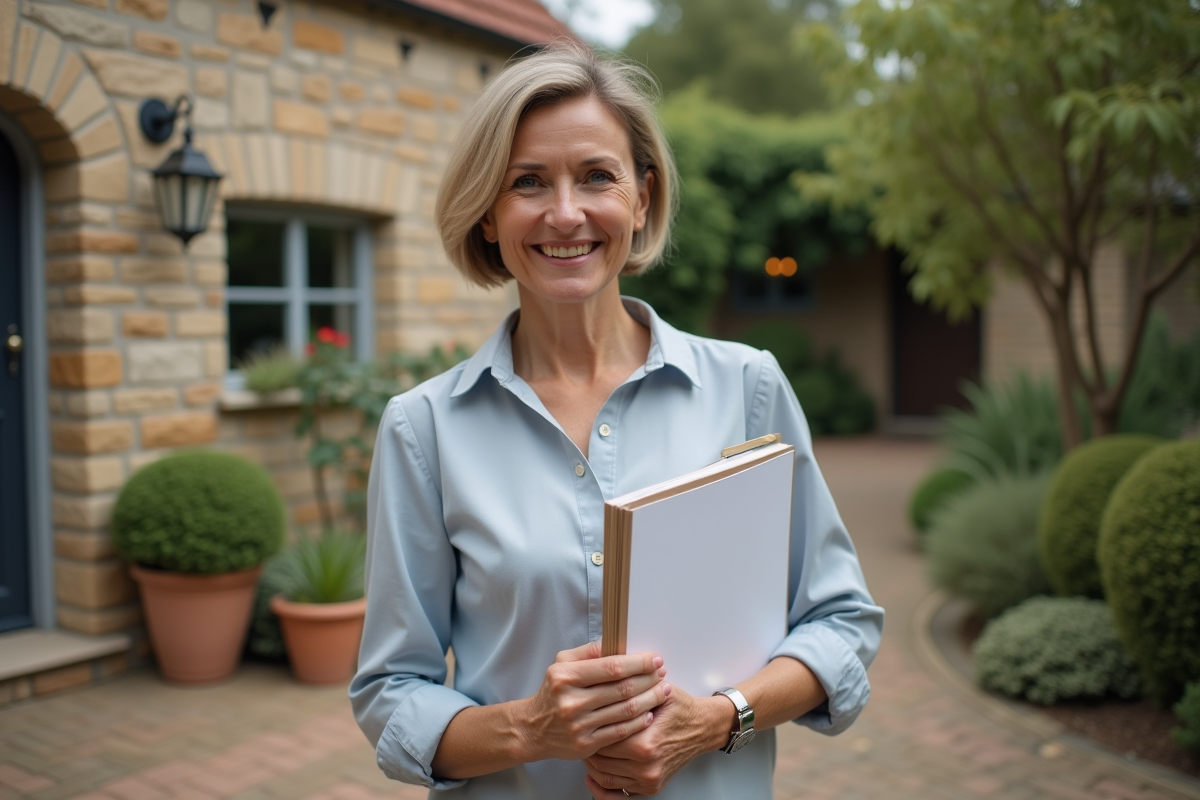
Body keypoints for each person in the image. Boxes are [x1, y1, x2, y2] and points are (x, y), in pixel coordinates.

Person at [349, 42, 883, 799]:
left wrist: (721, 717)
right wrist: (530, 728)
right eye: (527, 182)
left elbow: (839, 622)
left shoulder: (748, 388)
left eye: (596, 176)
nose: (565, 213)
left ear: (640, 198)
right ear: (490, 216)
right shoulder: (423, 429)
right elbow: (391, 690)